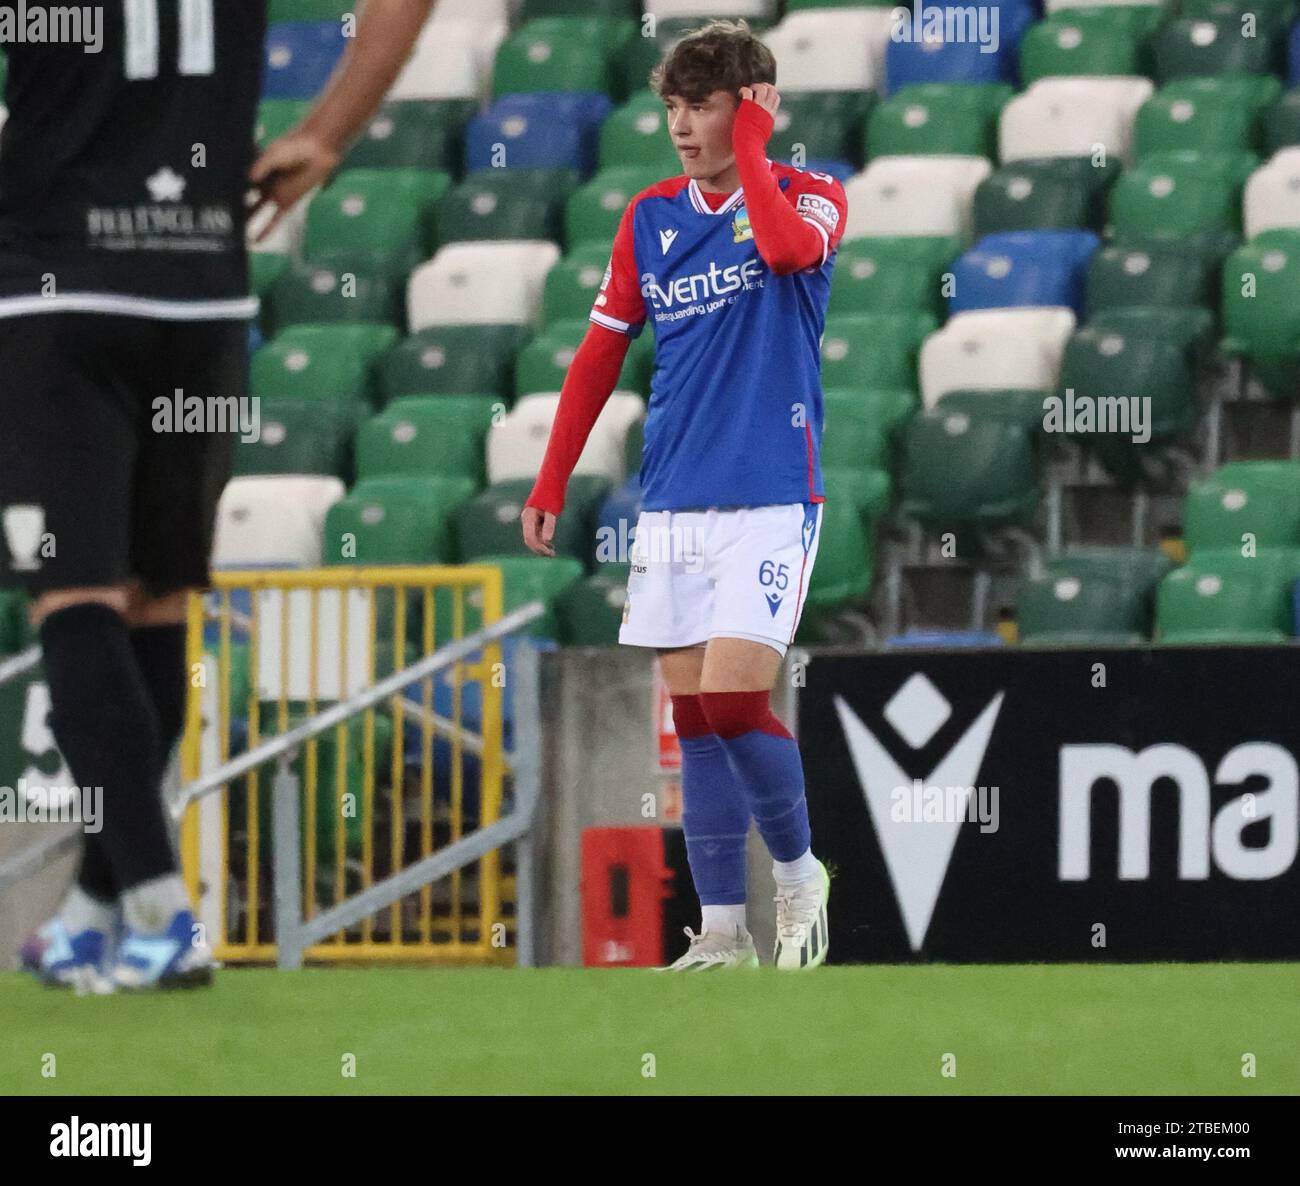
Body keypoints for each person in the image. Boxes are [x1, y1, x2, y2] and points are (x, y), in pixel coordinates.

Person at [7, 0, 439, 992]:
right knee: (157, 605)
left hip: (55, 289)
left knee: (76, 603)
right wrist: (327, 132)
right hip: (200, 294)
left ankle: (160, 908)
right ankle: (94, 907)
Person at [522, 20, 847, 971]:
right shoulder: (650, 216)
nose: (681, 124)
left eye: (703, 105)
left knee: (741, 702)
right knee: (697, 722)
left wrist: (752, 143)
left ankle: (798, 879)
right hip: (671, 499)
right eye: (672, 105)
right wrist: (552, 478)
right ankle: (721, 934)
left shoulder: (810, 196)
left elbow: (786, 255)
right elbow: (599, 354)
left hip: (774, 494)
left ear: (752, 109)